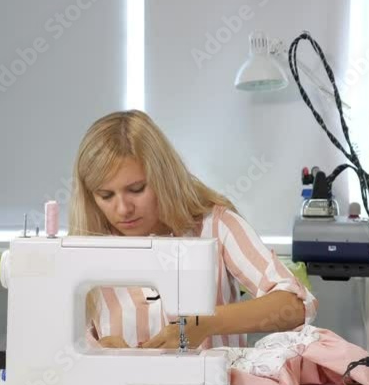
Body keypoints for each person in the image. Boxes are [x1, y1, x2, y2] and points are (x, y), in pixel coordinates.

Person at [69, 110, 317, 349]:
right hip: (121, 381)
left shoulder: (216, 227)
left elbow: (296, 305)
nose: (123, 209)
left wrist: (208, 323)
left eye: (136, 189)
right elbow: (63, 349)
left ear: (163, 178)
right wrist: (96, 351)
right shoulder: (86, 250)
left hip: (214, 381)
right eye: (106, 195)